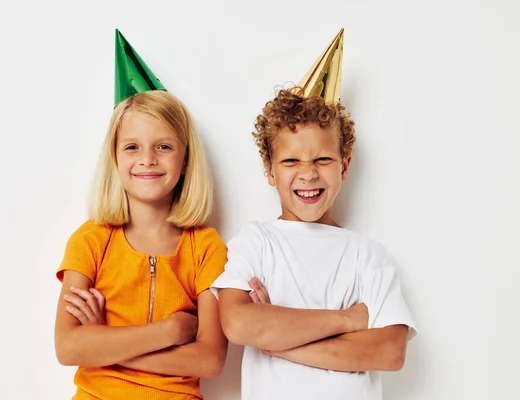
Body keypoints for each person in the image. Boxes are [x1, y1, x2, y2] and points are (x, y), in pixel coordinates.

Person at [211, 29, 416, 400]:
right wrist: (348, 320)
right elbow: (239, 323)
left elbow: (389, 351)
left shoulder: (367, 255)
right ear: (270, 169)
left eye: (323, 159)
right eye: (290, 161)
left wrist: (281, 341)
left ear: (345, 165)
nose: (307, 173)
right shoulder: (256, 241)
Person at [54, 30, 228, 400]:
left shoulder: (206, 247)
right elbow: (69, 348)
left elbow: (210, 359)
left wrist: (106, 344)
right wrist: (170, 332)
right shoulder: (91, 240)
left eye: (164, 146)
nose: (147, 159)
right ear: (115, 159)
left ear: (184, 161)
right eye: (132, 147)